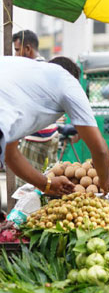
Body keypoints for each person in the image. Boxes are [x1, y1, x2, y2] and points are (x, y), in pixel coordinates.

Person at [0, 56, 109, 195]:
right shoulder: (68, 82)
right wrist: (105, 180)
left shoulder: (25, 73)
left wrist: (46, 185)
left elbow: (10, 155)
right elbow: (100, 150)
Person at [11, 30, 62, 185]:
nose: (15, 55)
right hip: (52, 134)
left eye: (17, 50)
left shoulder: (28, 70)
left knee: (25, 186)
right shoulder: (49, 68)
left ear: (27, 49)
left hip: (35, 137)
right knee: (50, 180)